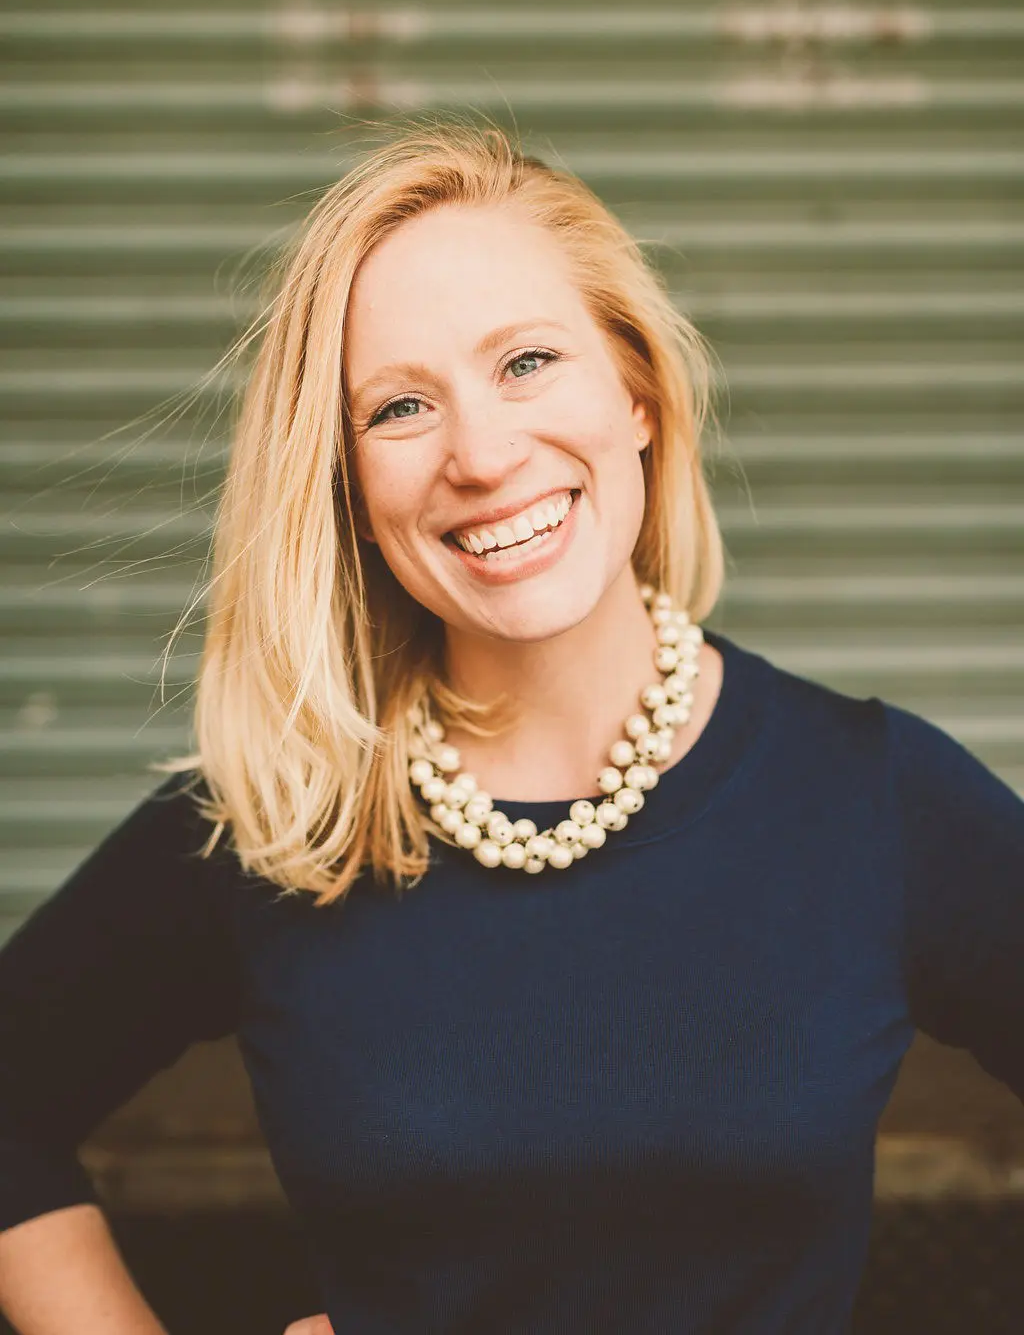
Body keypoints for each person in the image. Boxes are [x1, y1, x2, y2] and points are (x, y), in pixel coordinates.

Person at [0, 121, 1022, 1335]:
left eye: (527, 361)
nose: (481, 456)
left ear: (637, 394)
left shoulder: (871, 799)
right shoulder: (277, 819)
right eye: (398, 408)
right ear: (346, 486)